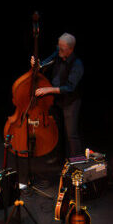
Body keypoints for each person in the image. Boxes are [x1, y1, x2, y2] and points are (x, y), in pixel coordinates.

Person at [32, 33, 84, 162]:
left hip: (70, 102)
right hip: (57, 100)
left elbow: (69, 88)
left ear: (70, 49)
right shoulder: (58, 53)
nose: (58, 49)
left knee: (71, 134)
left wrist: (49, 89)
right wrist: (37, 65)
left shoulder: (77, 64)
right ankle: (59, 158)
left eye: (62, 48)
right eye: (58, 46)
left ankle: (77, 162)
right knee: (58, 131)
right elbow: (43, 65)